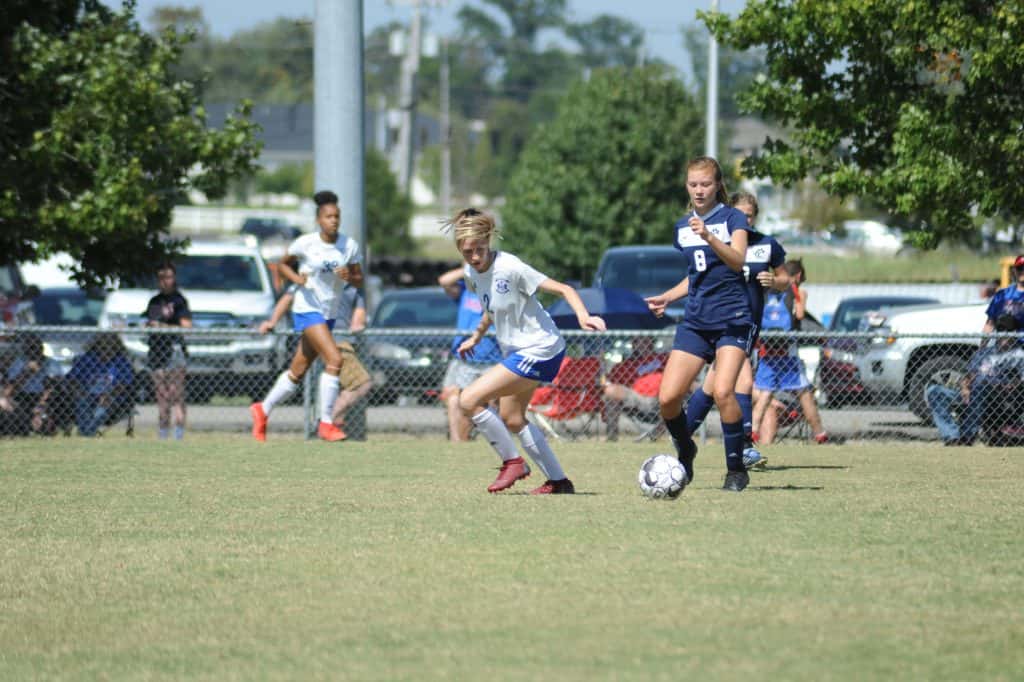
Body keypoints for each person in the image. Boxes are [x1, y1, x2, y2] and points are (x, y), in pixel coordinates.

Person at [448, 207, 606, 494]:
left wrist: (583, 316)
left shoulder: (510, 267)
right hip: (520, 352)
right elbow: (491, 309)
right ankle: (559, 482)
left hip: (540, 348)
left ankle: (513, 462)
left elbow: (565, 289)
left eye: (480, 249)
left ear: (488, 241)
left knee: (468, 399)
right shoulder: (471, 273)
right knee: (512, 418)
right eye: (468, 252)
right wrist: (476, 337)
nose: (475, 257)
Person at [644, 156, 756, 492]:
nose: (699, 190)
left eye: (705, 184)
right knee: (668, 399)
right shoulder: (683, 226)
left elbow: (737, 261)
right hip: (695, 321)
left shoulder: (733, 218)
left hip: (732, 320)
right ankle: (686, 448)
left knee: (723, 391)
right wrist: (668, 297)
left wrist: (708, 236)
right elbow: (696, 275)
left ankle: (735, 469)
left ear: (718, 185)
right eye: (693, 184)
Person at [676, 191, 791, 469]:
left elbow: (786, 279)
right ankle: (744, 446)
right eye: (741, 215)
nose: (745, 220)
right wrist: (669, 297)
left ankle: (683, 437)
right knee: (738, 382)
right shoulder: (717, 243)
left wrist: (775, 281)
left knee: (715, 385)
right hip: (722, 322)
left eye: (749, 215)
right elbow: (695, 278)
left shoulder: (766, 244)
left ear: (755, 217)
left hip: (748, 323)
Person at [250, 190, 362, 442]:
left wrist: (350, 276)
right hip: (307, 308)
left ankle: (262, 409)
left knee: (297, 372)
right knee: (334, 359)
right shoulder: (306, 243)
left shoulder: (349, 246)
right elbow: (282, 264)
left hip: (328, 313)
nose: (334, 221)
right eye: (329, 217)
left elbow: (359, 279)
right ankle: (326, 423)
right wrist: (297, 279)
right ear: (319, 220)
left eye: (337, 216)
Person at [258, 281, 373, 436]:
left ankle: (263, 408)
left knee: (295, 375)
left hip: (322, 336)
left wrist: (357, 324)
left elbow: (359, 314)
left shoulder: (354, 285)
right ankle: (327, 422)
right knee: (361, 384)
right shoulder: (315, 274)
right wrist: (272, 321)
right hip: (333, 338)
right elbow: (288, 297)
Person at [750, 258, 829, 446]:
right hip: (788, 353)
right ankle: (819, 434)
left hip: (768, 351)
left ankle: (752, 431)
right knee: (804, 392)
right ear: (798, 276)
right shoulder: (797, 291)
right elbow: (800, 314)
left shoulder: (766, 290)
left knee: (765, 393)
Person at [927, 314, 1024, 445]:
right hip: (973, 394)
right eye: (1001, 330)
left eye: (1008, 331)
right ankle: (952, 437)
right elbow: (969, 376)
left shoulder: (1019, 355)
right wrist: (965, 388)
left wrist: (1008, 386)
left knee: (980, 388)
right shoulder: (984, 352)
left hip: (998, 398)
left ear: (1015, 333)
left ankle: (967, 437)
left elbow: (1020, 382)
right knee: (934, 391)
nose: (1004, 334)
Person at [438, 266, 503, 441]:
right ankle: (458, 441)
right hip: (465, 358)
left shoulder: (495, 293)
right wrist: (468, 268)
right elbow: (444, 281)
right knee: (457, 400)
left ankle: (494, 440)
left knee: (490, 402)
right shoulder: (465, 292)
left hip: (492, 359)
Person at [144, 262, 192, 440]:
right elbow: (149, 322)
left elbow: (187, 326)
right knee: (162, 396)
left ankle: (178, 434)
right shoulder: (154, 302)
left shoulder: (179, 301)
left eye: (169, 277)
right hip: (157, 352)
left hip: (174, 351)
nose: (165, 281)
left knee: (176, 394)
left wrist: (163, 327)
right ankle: (163, 433)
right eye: (161, 278)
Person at [66, 333, 134, 436]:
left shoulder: (121, 361)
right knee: (82, 401)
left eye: (111, 349)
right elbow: (72, 379)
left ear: (116, 348)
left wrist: (108, 395)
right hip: (87, 395)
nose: (107, 353)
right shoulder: (88, 359)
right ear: (97, 347)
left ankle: (86, 433)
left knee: (104, 406)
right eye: (103, 349)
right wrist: (81, 392)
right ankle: (88, 433)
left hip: (111, 397)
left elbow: (124, 383)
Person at [602, 335, 666, 442]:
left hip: (661, 396)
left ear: (651, 342)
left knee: (676, 387)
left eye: (645, 340)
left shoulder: (663, 358)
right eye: (637, 341)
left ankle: (659, 432)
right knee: (610, 390)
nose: (642, 344)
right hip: (637, 398)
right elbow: (609, 383)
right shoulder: (624, 365)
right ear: (633, 344)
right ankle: (611, 436)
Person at [0, 333, 64, 436]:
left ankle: (44, 424)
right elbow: (10, 388)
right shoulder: (20, 362)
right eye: (30, 349)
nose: (33, 353)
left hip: (44, 397)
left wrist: (41, 406)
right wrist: (27, 372)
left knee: (55, 398)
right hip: (22, 396)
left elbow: (54, 387)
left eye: (35, 349)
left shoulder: (51, 363)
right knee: (7, 408)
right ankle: (22, 427)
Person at [984, 254, 1024, 331]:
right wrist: (983, 339)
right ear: (1014, 270)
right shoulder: (1002, 294)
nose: (1023, 271)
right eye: (1020, 268)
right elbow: (990, 324)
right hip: (1005, 338)